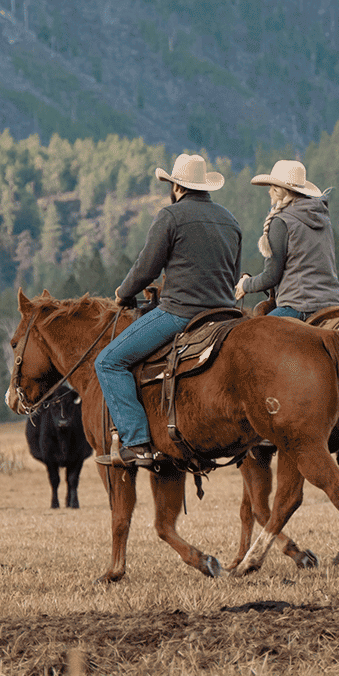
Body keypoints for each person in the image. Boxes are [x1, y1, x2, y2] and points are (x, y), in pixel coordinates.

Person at [94, 154, 242, 468]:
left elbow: (145, 269)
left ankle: (136, 443)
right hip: (226, 315)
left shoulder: (171, 216)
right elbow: (233, 272)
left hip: (181, 313)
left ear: (176, 186)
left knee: (108, 361)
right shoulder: (230, 220)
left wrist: (124, 293)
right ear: (204, 186)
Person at [233, 160, 339, 320]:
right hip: (334, 304)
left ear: (279, 190)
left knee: (251, 337)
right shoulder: (323, 217)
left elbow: (271, 276)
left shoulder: (281, 221)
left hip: (299, 305)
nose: (269, 192)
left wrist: (245, 284)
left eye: (272, 187)